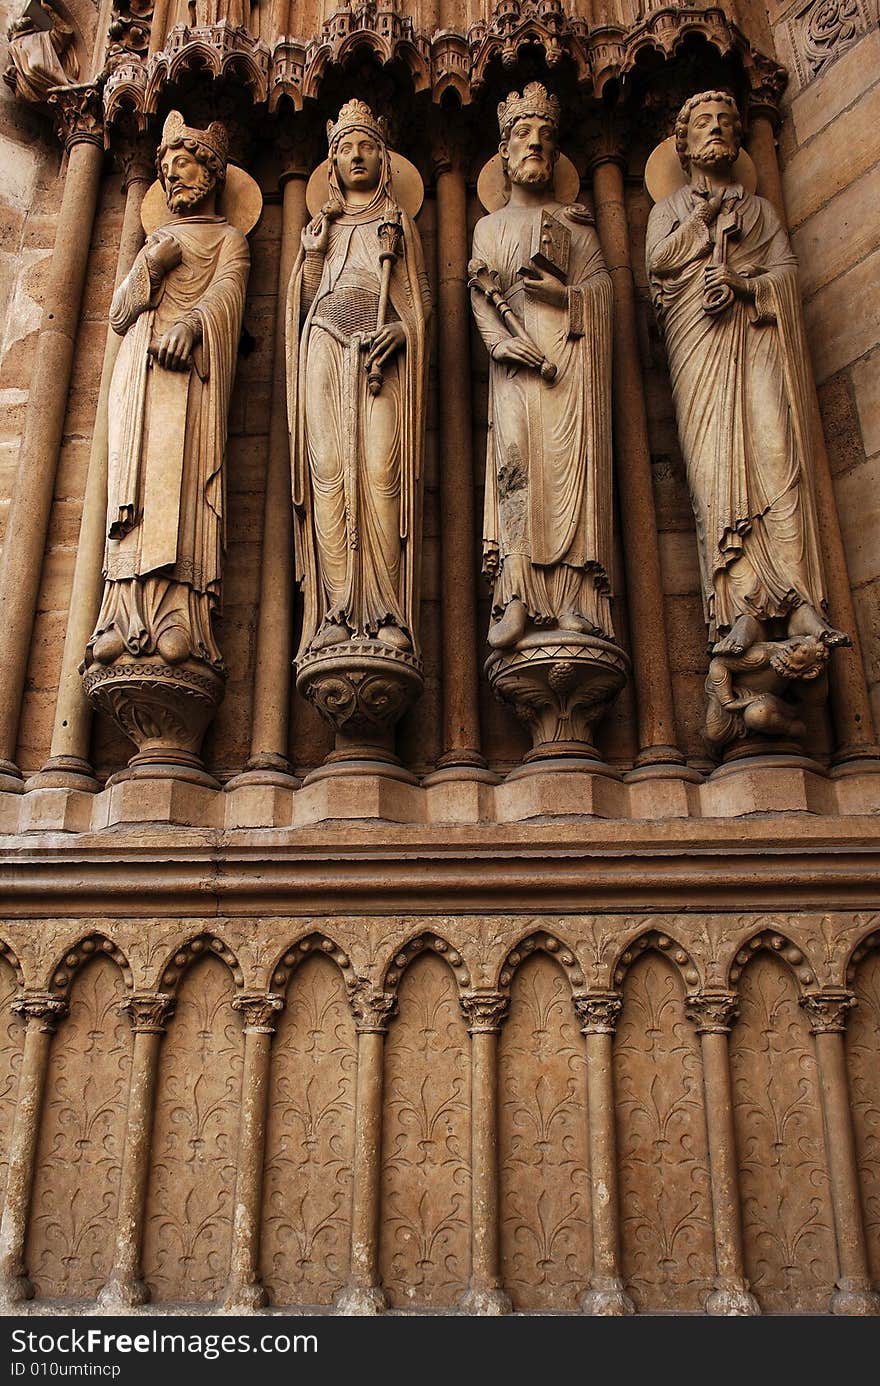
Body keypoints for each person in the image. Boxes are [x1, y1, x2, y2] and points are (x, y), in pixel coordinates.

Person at [646, 89, 846, 659]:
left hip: (757, 343)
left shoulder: (760, 213)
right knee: (715, 474)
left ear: (739, 138)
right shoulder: (669, 211)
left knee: (778, 457)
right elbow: (658, 269)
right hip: (701, 355)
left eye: (726, 122)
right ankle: (740, 607)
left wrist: (745, 285)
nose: (715, 130)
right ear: (681, 144)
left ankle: (800, 598)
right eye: (703, 123)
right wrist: (705, 222)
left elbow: (786, 277)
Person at [84, 110, 249, 674]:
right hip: (143, 379)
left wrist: (194, 325)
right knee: (135, 495)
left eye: (183, 166)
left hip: (192, 379)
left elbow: (228, 296)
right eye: (166, 169)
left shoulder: (230, 240)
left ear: (211, 173)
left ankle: (181, 616)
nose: (174, 177)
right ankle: (121, 615)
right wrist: (151, 265)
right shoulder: (155, 241)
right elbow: (119, 313)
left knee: (179, 488)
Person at [469, 82, 615, 651]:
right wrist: (500, 343)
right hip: (516, 369)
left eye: (545, 137)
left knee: (565, 473)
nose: (534, 144)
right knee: (517, 471)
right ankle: (519, 596)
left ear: (556, 157)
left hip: (570, 367)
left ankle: (576, 599)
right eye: (522, 135)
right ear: (504, 152)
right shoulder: (488, 227)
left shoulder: (576, 225)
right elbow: (479, 294)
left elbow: (603, 293)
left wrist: (563, 296)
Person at [287, 99, 430, 661]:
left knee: (378, 470)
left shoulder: (397, 227)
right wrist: (314, 256)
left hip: (378, 356)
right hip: (325, 344)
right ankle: (336, 611)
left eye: (366, 146)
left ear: (385, 158)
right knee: (329, 472)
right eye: (345, 148)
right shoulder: (322, 228)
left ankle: (387, 611)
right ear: (331, 161)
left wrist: (404, 333)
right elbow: (301, 307)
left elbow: (416, 307)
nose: (356, 156)